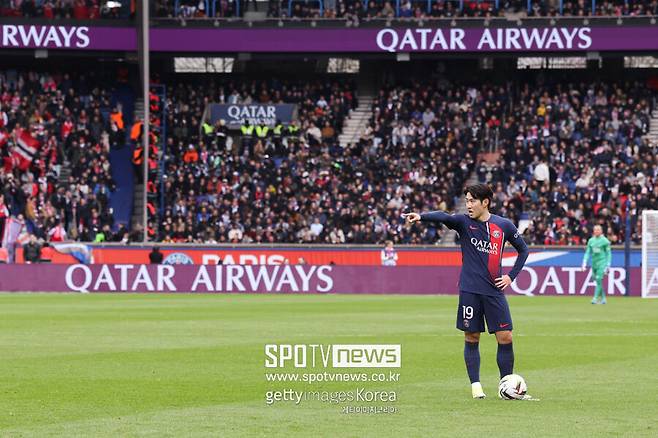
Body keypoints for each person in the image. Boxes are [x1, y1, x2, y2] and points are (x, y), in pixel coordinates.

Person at [403, 184, 530, 400]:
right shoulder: (463, 223)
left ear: (485, 202)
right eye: (467, 200)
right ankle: (476, 386)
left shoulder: (504, 225)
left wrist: (510, 276)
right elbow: (444, 216)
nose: (468, 205)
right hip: (470, 290)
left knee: (505, 337)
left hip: (494, 291)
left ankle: (506, 386)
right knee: (472, 336)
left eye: (472, 201)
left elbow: (523, 250)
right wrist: (421, 217)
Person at [581, 225, 612, 304]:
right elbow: (588, 252)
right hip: (594, 263)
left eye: (598, 230)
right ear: (593, 231)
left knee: (598, 279)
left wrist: (608, 265)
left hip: (602, 263)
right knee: (597, 281)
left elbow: (608, 254)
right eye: (595, 230)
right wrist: (584, 262)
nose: (597, 231)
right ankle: (603, 298)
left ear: (601, 231)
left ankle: (595, 298)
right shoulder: (591, 241)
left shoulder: (605, 241)